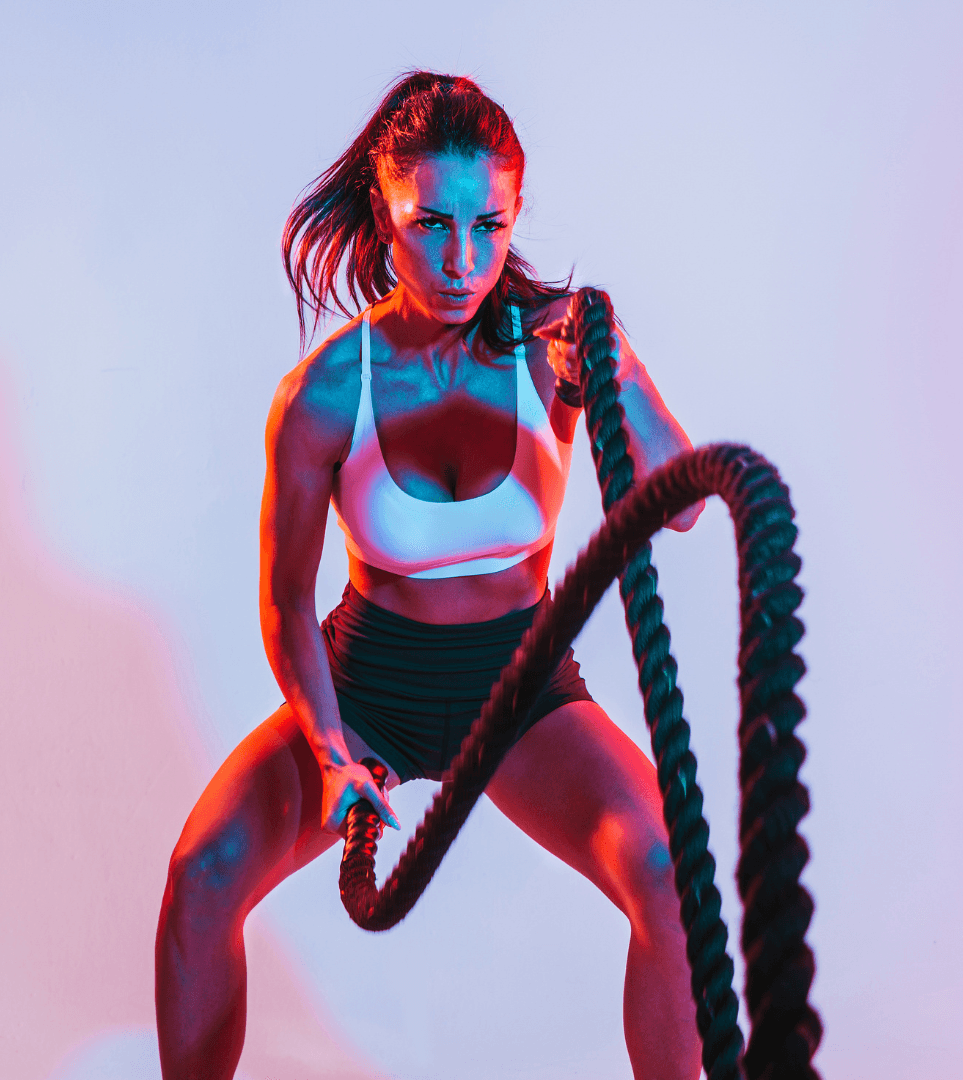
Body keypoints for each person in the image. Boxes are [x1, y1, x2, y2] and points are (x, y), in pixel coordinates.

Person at [155, 71, 705, 1080]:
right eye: (431, 225)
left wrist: (617, 371)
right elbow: (284, 604)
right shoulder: (323, 394)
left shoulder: (555, 347)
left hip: (525, 689)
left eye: (489, 226)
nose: (462, 261)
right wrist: (329, 750)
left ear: (515, 215)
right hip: (366, 688)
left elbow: (687, 499)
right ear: (384, 213)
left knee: (670, 874)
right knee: (202, 875)